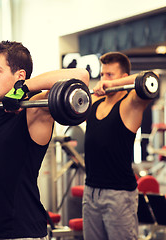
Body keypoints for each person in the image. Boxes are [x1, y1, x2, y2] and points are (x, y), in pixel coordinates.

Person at [0, 40, 89, 239]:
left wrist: (24, 87)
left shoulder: (35, 109)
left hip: (21, 230)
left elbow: (81, 76)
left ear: (20, 75)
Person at [83, 52, 154, 240]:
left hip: (119, 196)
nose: (104, 80)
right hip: (90, 193)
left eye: (110, 75)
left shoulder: (130, 104)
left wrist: (113, 85)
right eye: (102, 74)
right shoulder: (96, 101)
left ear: (123, 78)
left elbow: (149, 79)